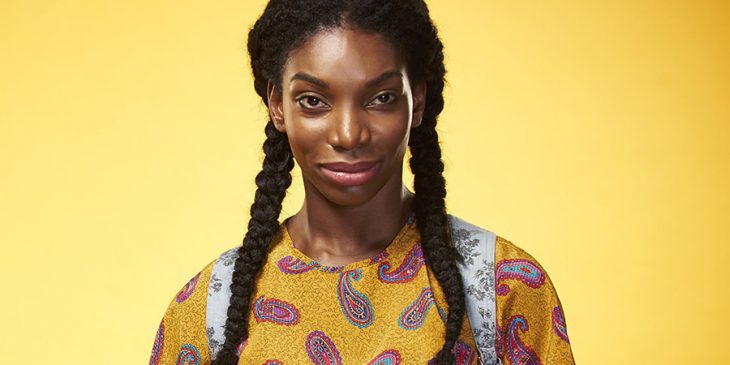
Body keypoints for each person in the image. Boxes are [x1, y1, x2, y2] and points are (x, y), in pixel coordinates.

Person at [149, 1, 576, 364]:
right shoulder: (208, 312)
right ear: (277, 105)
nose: (348, 134)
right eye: (313, 101)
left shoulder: (505, 289)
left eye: (381, 98)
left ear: (419, 101)